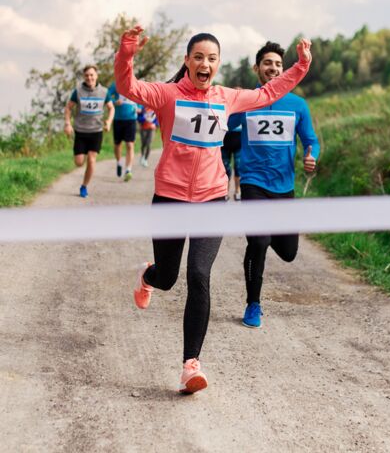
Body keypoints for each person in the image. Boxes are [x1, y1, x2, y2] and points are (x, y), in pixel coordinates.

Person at [115, 27, 312, 394]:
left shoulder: (227, 98)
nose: (205, 63)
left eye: (212, 58)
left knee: (199, 274)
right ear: (188, 62)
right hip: (171, 199)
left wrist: (300, 66)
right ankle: (149, 276)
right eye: (198, 57)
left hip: (211, 199)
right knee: (169, 277)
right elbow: (128, 86)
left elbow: (269, 91)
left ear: (217, 65)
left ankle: (191, 365)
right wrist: (127, 51)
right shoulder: (167, 94)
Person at [227, 41, 320, 328]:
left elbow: (311, 141)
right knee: (259, 241)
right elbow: (226, 126)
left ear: (285, 69)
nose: (274, 68)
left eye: (279, 64)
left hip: (284, 187)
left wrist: (310, 156)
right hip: (253, 182)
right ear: (257, 68)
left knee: (289, 253)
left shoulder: (297, 105)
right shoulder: (248, 100)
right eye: (268, 63)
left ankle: (264, 240)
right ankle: (253, 303)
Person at [64, 65, 114, 198]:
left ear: (96, 76)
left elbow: (111, 108)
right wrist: (68, 124)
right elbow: (68, 108)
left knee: (92, 160)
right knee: (79, 162)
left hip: (96, 132)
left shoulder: (104, 92)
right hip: (80, 131)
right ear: (84, 77)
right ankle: (83, 156)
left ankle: (84, 186)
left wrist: (108, 121)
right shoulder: (78, 91)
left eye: (92, 75)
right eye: (87, 75)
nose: (89, 78)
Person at [107, 81, 139, 181]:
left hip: (131, 119)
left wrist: (140, 108)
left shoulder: (135, 84)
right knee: (117, 145)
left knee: (130, 144)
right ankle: (119, 162)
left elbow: (141, 98)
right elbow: (107, 96)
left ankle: (128, 170)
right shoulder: (116, 84)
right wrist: (114, 101)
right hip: (118, 119)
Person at [221, 125, 242, 200]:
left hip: (239, 136)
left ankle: (237, 191)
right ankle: (225, 192)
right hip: (224, 136)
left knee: (238, 166)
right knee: (225, 169)